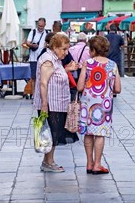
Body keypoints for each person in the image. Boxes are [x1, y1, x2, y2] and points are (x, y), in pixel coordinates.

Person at [34, 33, 79, 172]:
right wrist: (44, 105)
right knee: (52, 133)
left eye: (67, 49)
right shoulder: (48, 60)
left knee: (54, 133)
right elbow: (43, 83)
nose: (66, 53)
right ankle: (48, 162)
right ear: (54, 47)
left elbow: (56, 74)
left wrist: (67, 70)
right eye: (63, 49)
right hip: (51, 103)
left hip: (58, 103)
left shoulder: (55, 59)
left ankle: (47, 161)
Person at [77, 35, 121, 175]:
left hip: (87, 102)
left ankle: (89, 164)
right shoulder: (112, 65)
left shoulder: (87, 63)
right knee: (100, 133)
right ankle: (97, 164)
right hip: (103, 103)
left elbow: (79, 87)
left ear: (93, 50)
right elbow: (118, 89)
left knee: (88, 133)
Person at [24, 18, 47, 96]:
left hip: (43, 59)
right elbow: (27, 42)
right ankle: (34, 95)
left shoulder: (46, 33)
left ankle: (41, 95)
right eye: (39, 25)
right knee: (33, 78)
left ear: (45, 25)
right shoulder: (32, 32)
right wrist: (32, 45)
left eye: (42, 26)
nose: (40, 27)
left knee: (42, 78)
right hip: (33, 58)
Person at [68, 33, 91, 100]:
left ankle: (74, 104)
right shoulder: (89, 50)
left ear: (77, 40)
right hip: (85, 72)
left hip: (73, 71)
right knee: (84, 89)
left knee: (74, 89)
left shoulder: (71, 49)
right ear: (86, 40)